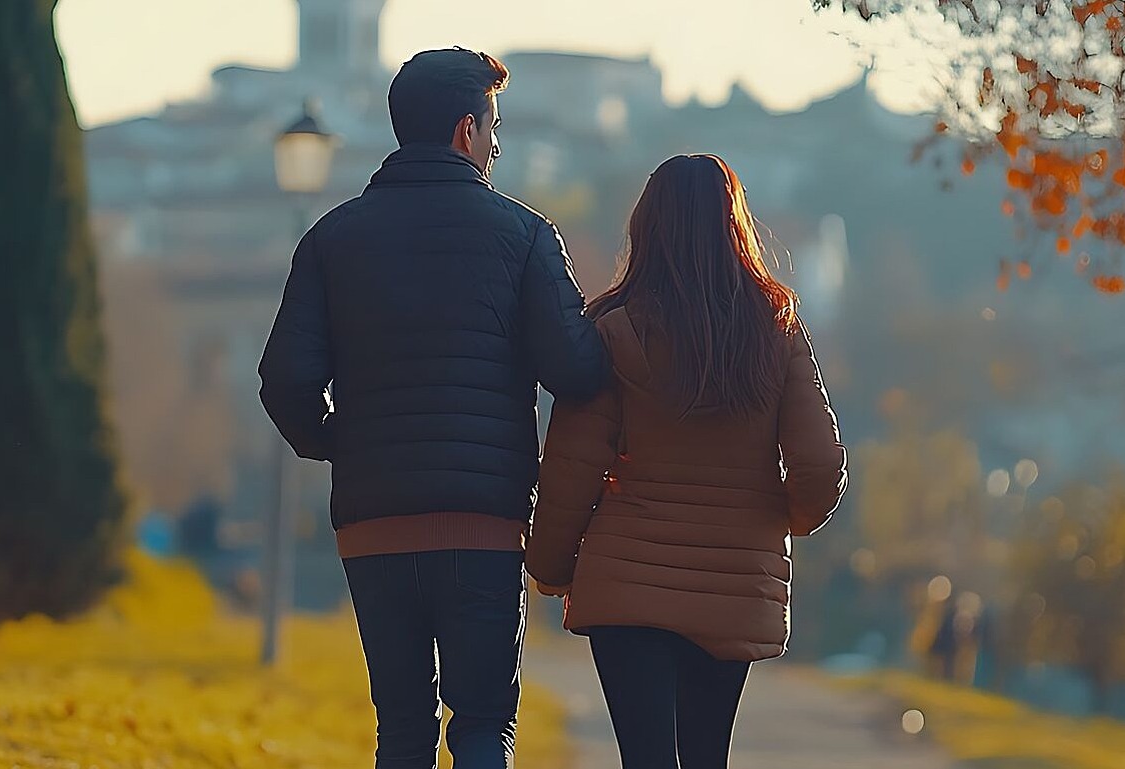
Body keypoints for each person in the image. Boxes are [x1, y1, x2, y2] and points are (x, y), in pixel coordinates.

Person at [258, 47, 607, 769]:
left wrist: (338, 442)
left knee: (403, 729)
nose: (498, 142)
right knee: (483, 724)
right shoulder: (524, 236)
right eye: (494, 125)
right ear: (465, 131)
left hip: (373, 523)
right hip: (483, 522)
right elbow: (577, 369)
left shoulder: (332, 238)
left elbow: (285, 378)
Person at [526, 154, 849, 769]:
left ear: (647, 228)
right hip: (732, 583)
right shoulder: (775, 329)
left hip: (626, 582)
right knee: (706, 755)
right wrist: (777, 520)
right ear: (736, 226)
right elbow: (820, 469)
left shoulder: (616, 331)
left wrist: (551, 566)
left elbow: (572, 465)